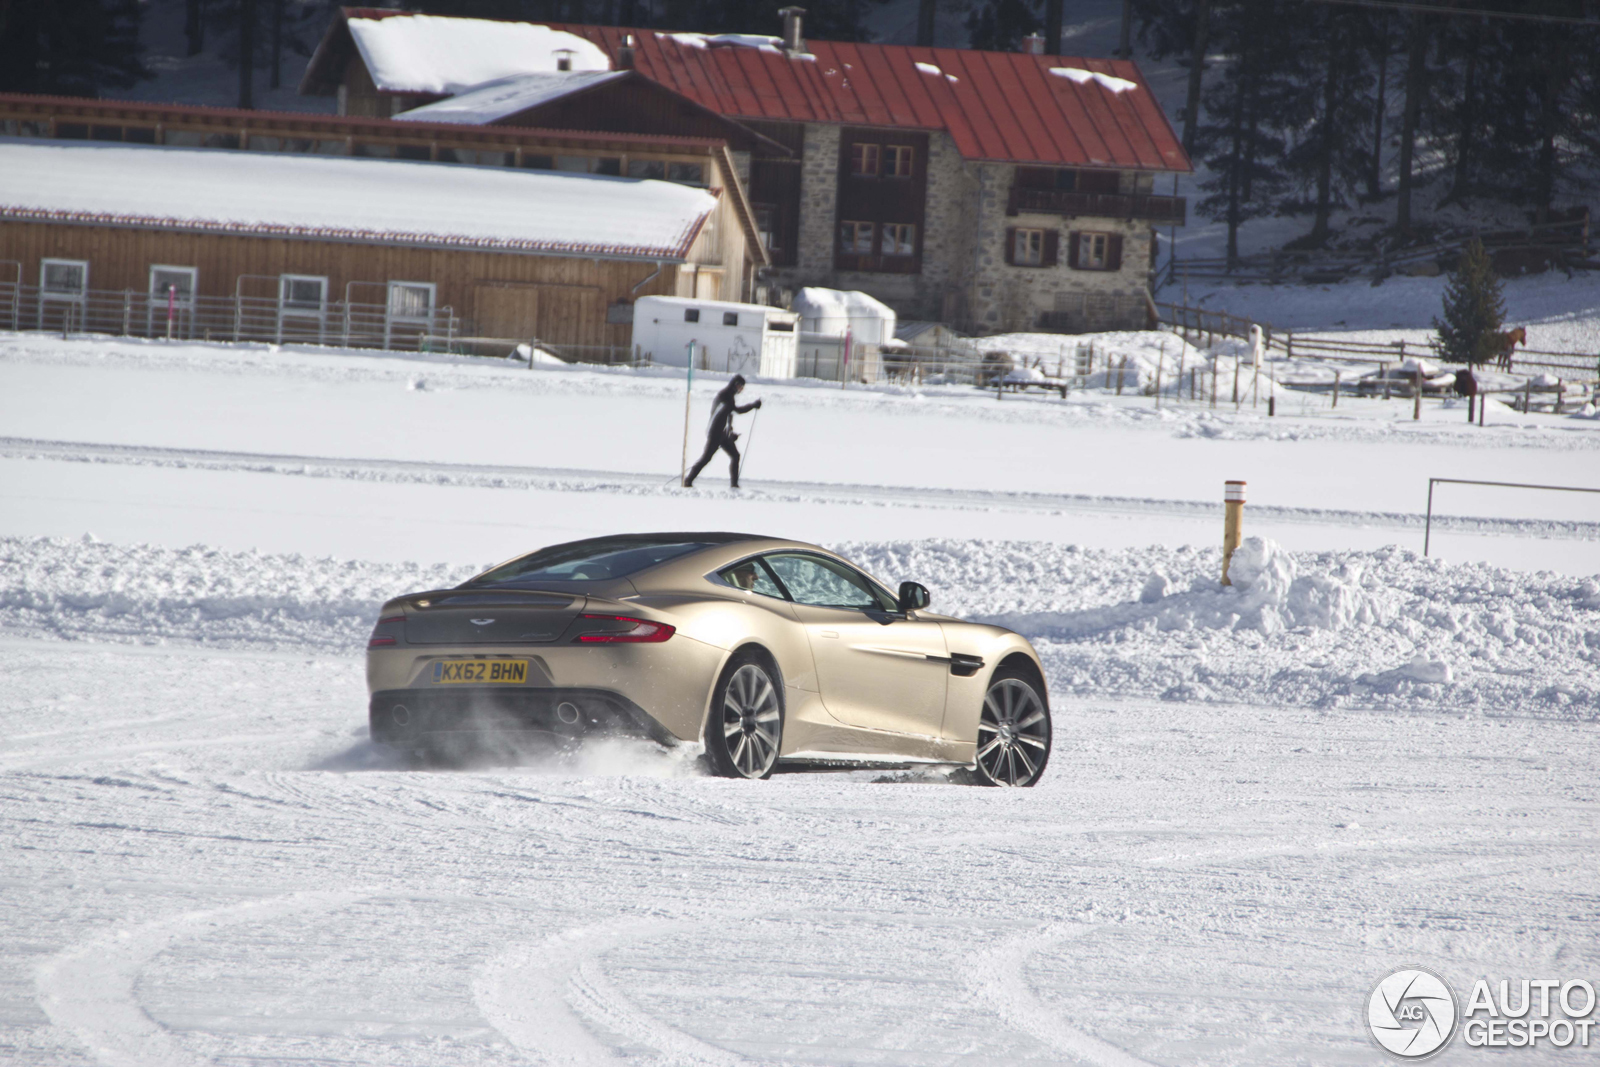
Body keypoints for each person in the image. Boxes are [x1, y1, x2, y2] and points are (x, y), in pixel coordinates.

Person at [684, 374, 761, 488]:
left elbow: (728, 414)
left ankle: (734, 485)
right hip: (714, 433)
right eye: (741, 387)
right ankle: (688, 481)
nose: (741, 390)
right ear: (736, 385)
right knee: (706, 458)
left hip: (721, 433)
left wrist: (730, 432)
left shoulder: (729, 395)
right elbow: (736, 410)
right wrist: (753, 405)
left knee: (735, 456)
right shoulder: (724, 395)